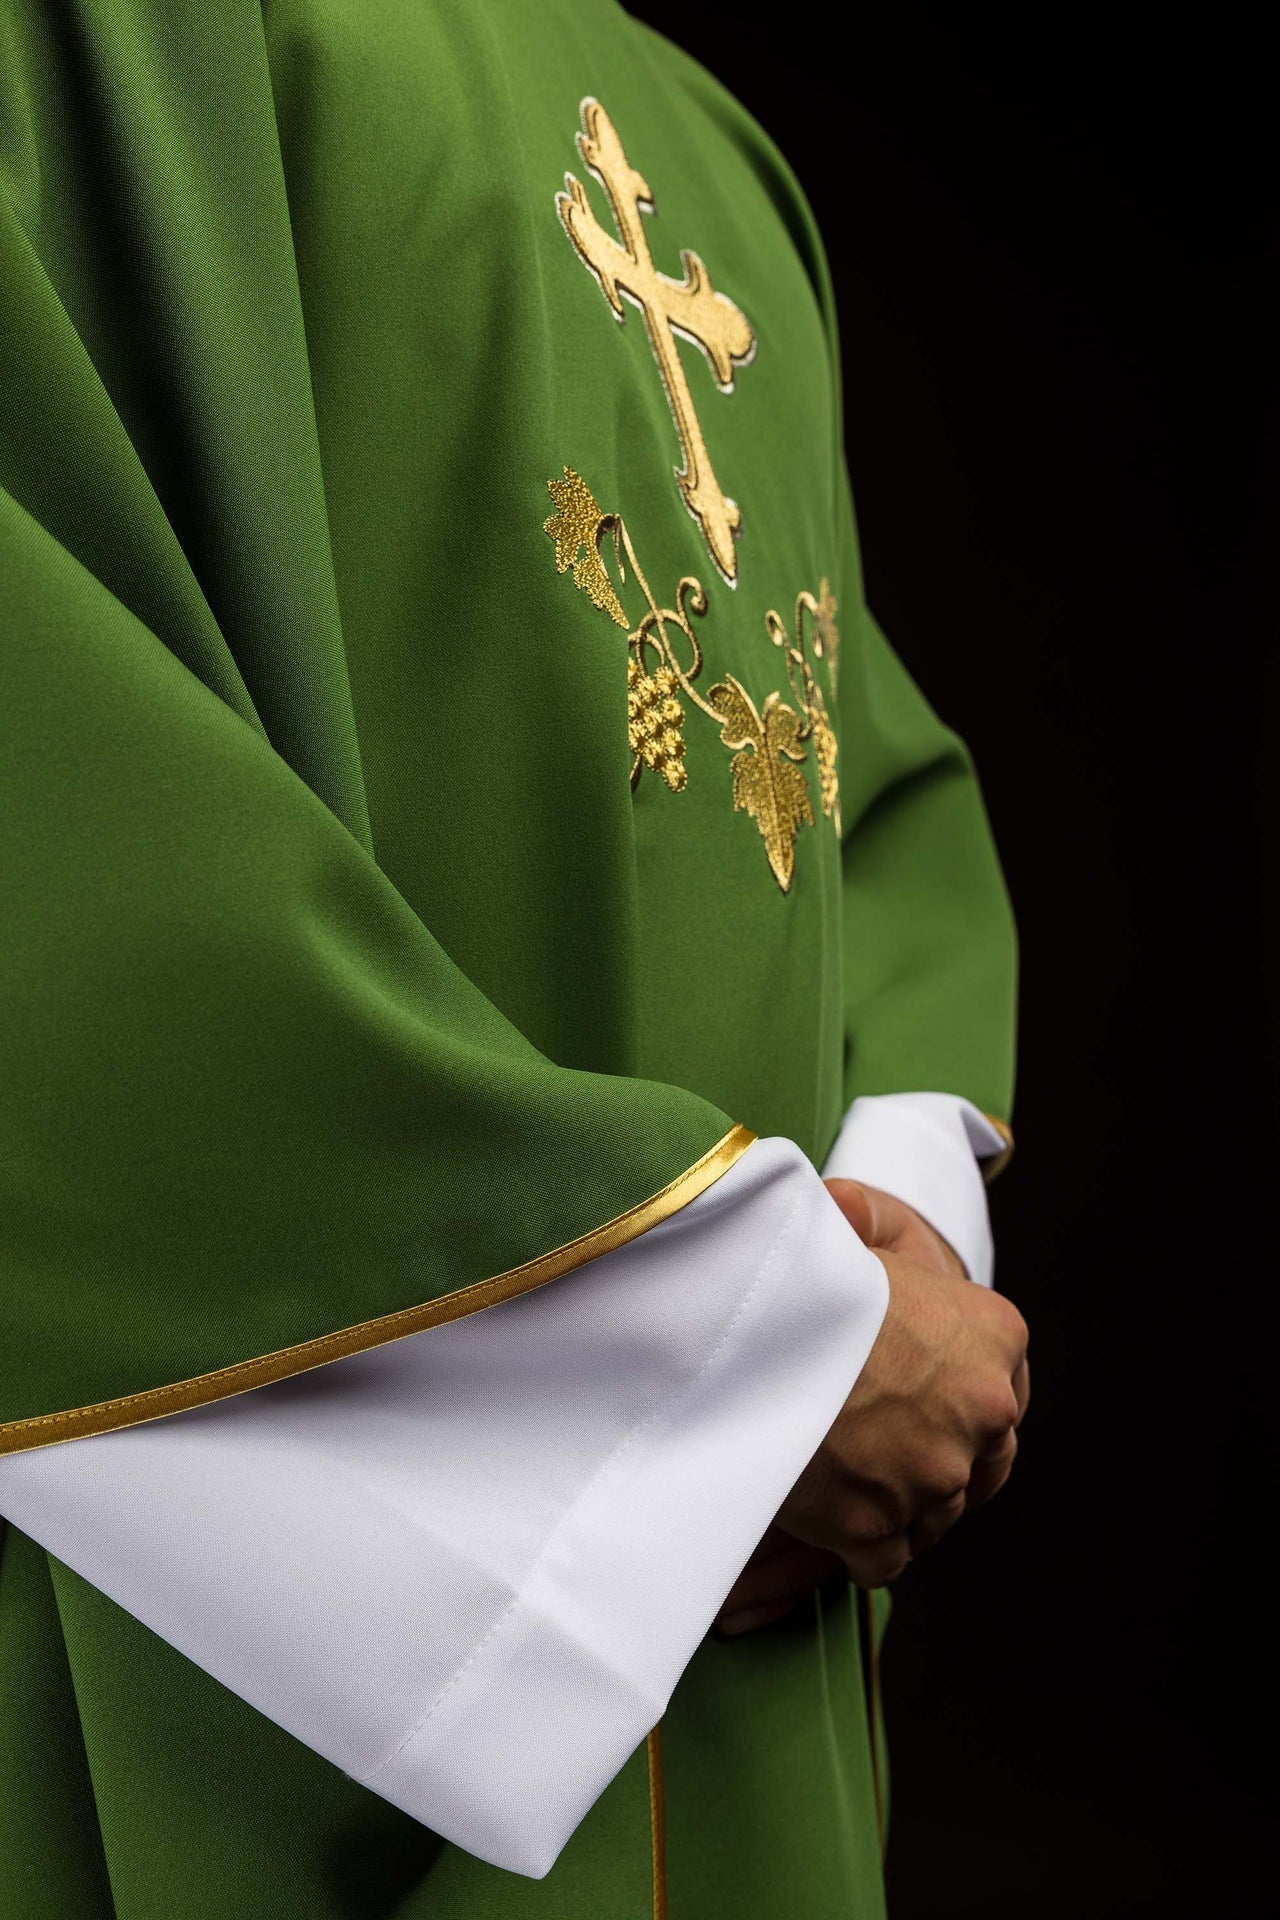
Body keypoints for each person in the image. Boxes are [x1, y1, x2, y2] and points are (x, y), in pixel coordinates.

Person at [0, 3, 1027, 1915]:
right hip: (215, 1658)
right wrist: (730, 1360)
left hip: (749, 1670)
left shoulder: (704, 142)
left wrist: (887, 1247)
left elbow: (860, 800)